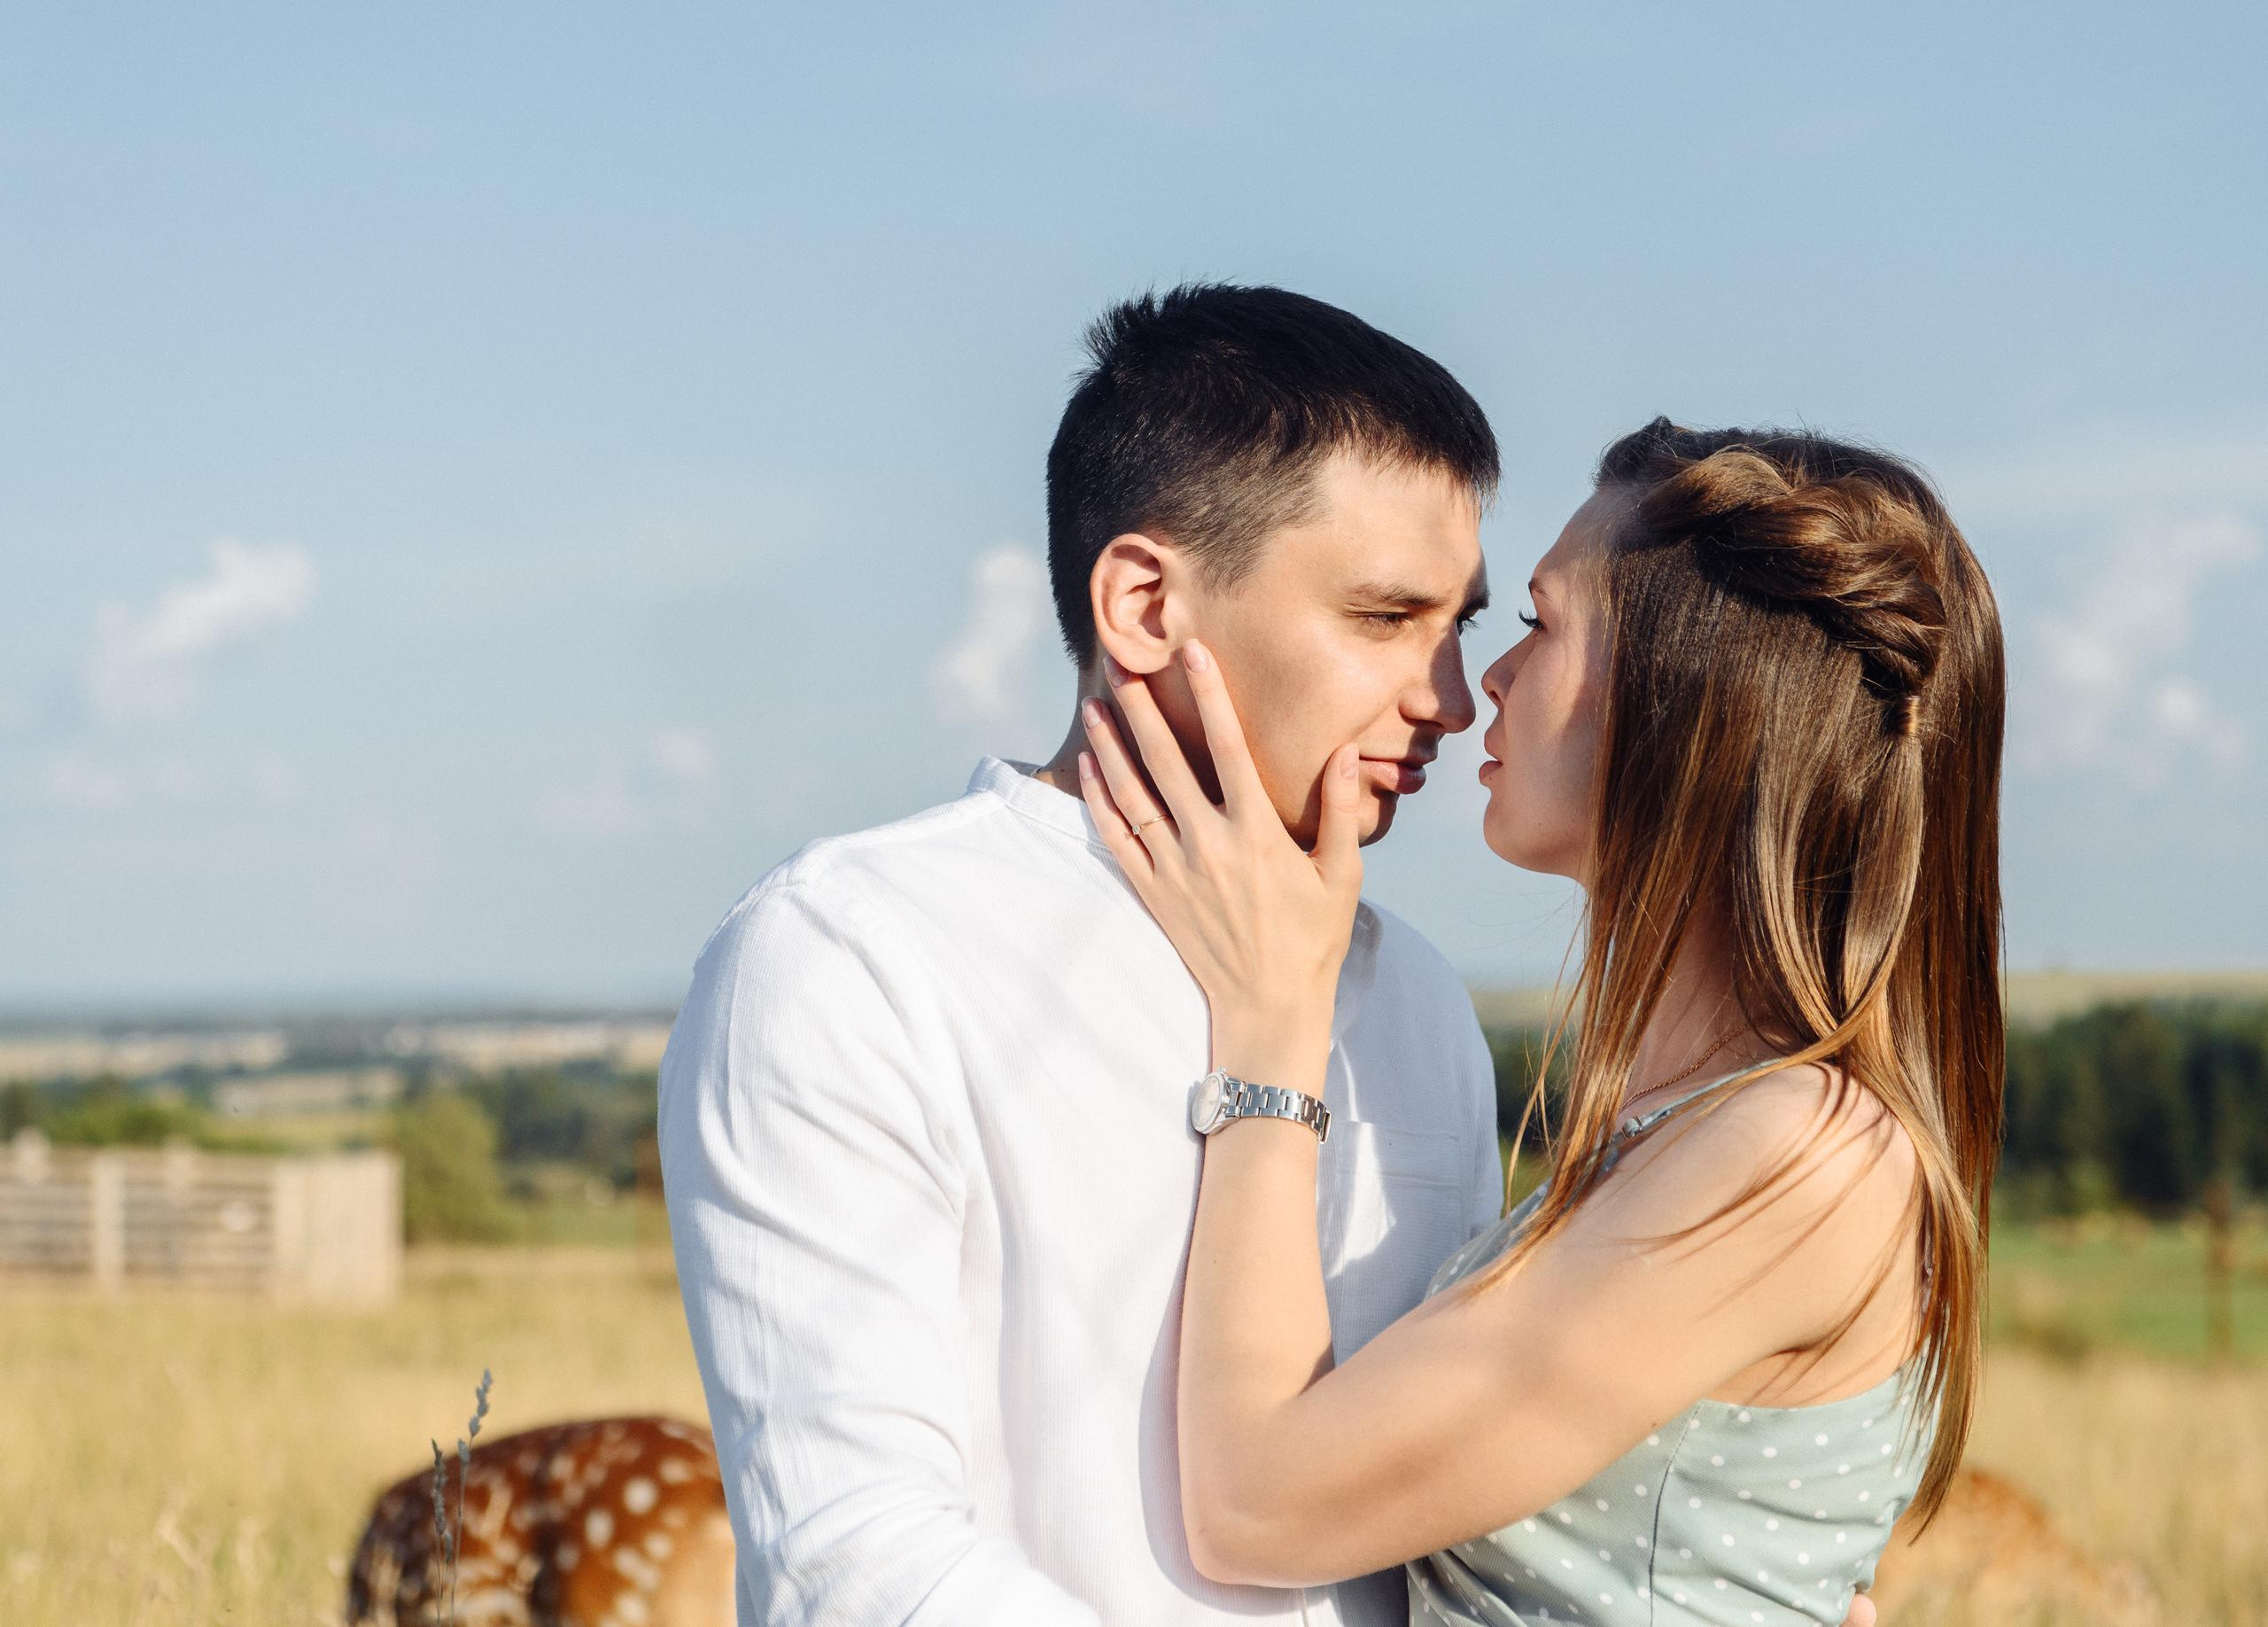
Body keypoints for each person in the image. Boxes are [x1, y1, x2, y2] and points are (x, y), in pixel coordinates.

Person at [657, 283, 1508, 1627]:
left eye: (1461, 626)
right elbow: (858, 1562)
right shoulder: (851, 956)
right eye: (1385, 618)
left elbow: (1453, 1515)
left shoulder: (1417, 998)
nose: (1449, 701)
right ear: (1146, 605)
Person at [1074, 417, 2000, 1625]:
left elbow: (1255, 1509)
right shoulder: (1707, 1123)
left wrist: (1271, 1028)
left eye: (1538, 624)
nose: (1480, 691)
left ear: (1693, 699)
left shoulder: (1802, 1155)